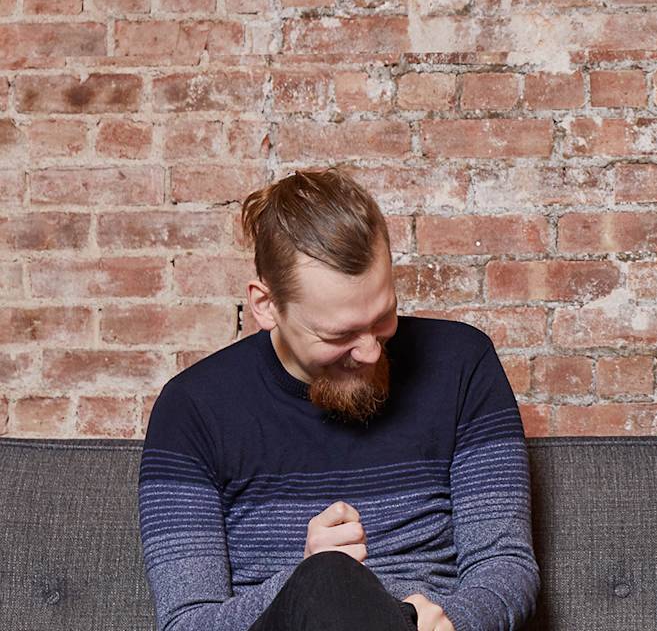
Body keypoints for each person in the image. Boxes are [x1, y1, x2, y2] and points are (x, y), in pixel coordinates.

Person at [137, 169, 539, 631]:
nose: (370, 352)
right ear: (266, 305)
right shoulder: (193, 408)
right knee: (328, 578)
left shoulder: (461, 364)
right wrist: (304, 580)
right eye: (339, 335)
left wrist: (454, 620)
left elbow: (504, 565)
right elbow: (186, 623)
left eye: (383, 317)